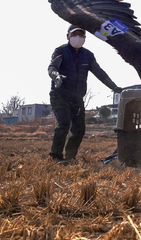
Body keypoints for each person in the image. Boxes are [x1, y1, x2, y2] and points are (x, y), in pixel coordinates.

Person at [48, 24, 123, 164]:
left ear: (85, 38)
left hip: (77, 98)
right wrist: (55, 76)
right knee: (63, 124)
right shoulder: (60, 51)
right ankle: (56, 156)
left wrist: (114, 87)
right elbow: (52, 67)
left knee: (79, 129)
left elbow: (99, 73)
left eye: (81, 35)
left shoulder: (88, 55)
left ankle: (70, 157)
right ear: (68, 36)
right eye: (74, 35)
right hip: (60, 95)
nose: (78, 38)